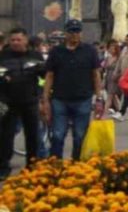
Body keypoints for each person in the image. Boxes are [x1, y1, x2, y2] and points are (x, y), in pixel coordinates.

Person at [41, 19, 103, 160]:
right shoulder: (56, 52)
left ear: (81, 33)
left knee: (80, 136)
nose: (74, 34)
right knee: (57, 134)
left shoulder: (90, 51)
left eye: (77, 31)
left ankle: (77, 166)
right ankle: (55, 166)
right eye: (71, 31)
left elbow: (96, 75)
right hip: (59, 99)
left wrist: (99, 98)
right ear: (66, 33)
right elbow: (49, 75)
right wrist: (45, 99)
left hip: (83, 99)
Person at [0, 28, 46, 178]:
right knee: (6, 137)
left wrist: (41, 95)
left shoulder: (36, 56)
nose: (15, 43)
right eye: (12, 40)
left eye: (18, 40)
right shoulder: (3, 56)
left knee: (32, 136)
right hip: (8, 103)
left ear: (25, 40)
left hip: (30, 102)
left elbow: (45, 77)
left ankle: (32, 166)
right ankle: (4, 167)